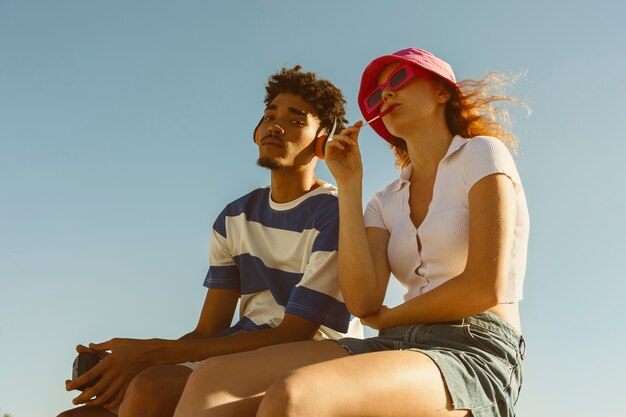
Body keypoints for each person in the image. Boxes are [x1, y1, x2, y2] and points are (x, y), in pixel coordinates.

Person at [172, 47, 529, 417]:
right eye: (378, 94)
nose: (386, 94)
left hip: (473, 345)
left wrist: (389, 318)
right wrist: (349, 185)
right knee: (212, 381)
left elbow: (485, 286)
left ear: (442, 91)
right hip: (394, 344)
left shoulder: (481, 153)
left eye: (400, 79)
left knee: (295, 396)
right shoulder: (382, 202)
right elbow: (364, 303)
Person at [58, 66, 363, 417]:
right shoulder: (234, 217)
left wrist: (150, 354)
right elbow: (209, 329)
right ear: (255, 132)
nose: (276, 125)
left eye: (296, 121)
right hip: (239, 347)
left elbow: (295, 332)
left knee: (149, 388)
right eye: (269, 116)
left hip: (311, 351)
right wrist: (129, 364)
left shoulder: (334, 212)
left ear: (323, 142)